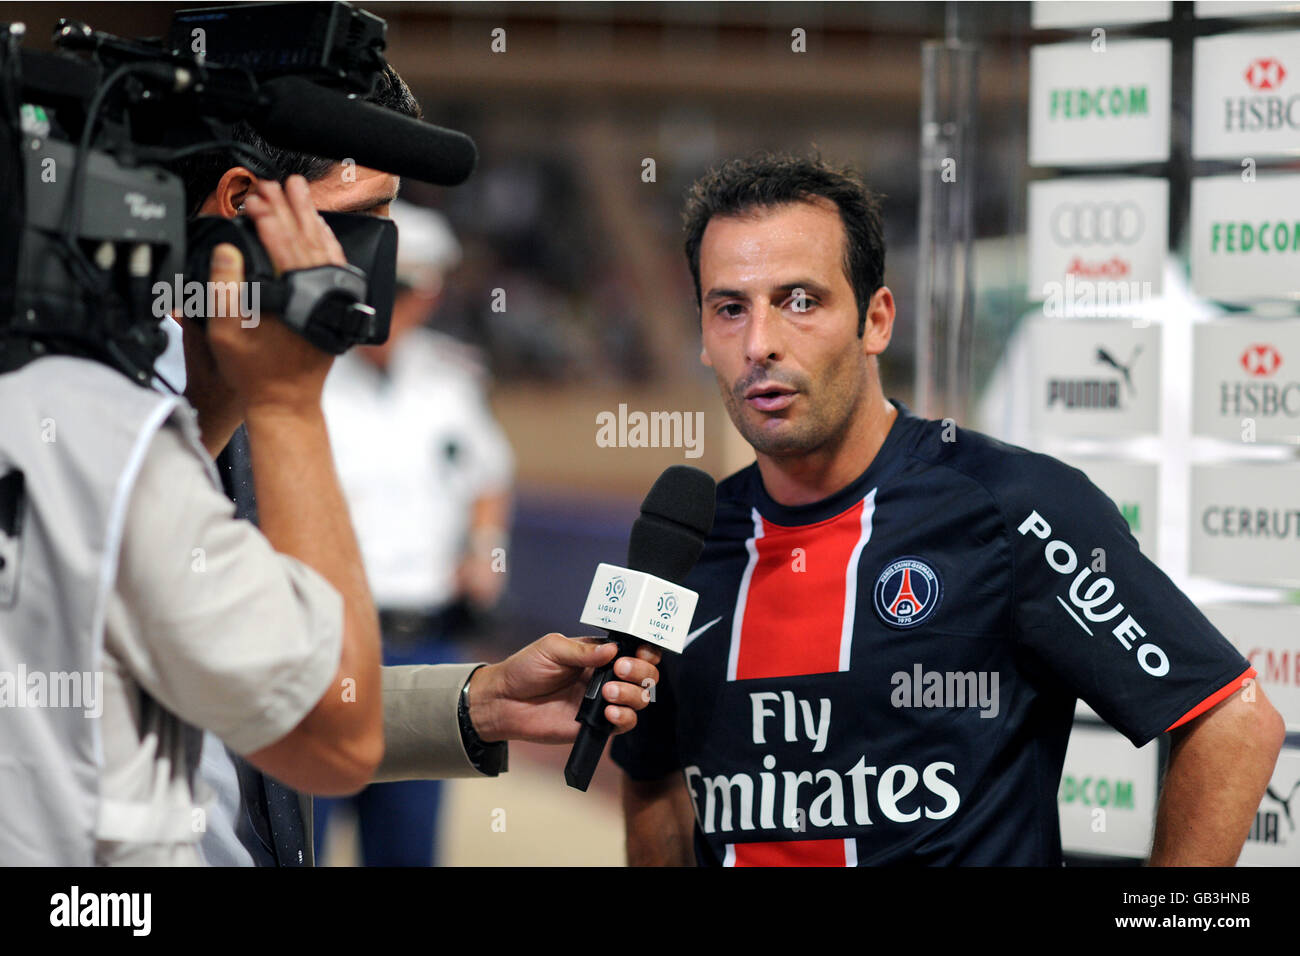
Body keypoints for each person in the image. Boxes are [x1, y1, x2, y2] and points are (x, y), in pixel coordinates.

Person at [611, 153, 1285, 867]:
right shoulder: (683, 540)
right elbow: (650, 776)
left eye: (800, 301)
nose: (760, 344)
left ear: (876, 320)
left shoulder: (1012, 507)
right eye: (730, 308)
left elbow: (1234, 724)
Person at [168, 64, 660, 869]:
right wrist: (289, 404)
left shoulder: (358, 389)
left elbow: (245, 704)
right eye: (357, 227)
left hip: (410, 640)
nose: (372, 283)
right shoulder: (109, 419)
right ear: (238, 209)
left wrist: (479, 703)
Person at [313, 200, 513, 866]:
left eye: (412, 290)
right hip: (319, 645)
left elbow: (489, 475)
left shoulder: (451, 380)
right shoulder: (301, 371)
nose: (397, 305)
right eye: (387, 287)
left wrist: (486, 552)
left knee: (408, 850)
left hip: (422, 643)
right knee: (292, 845)